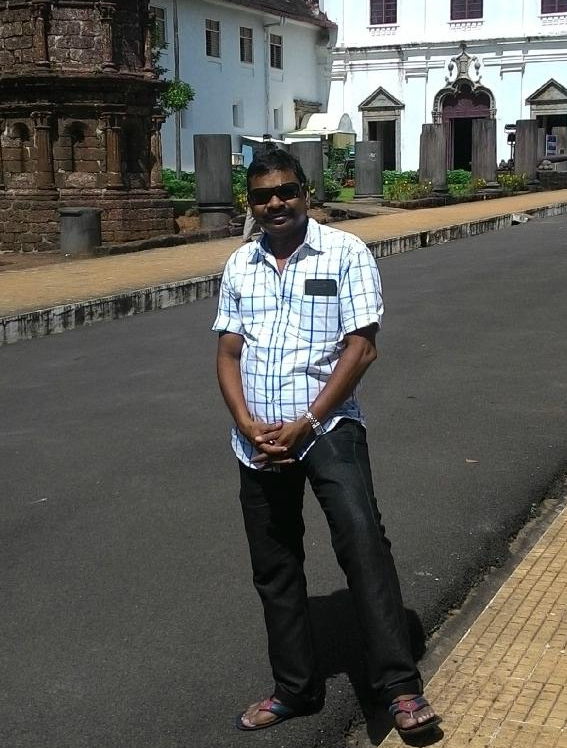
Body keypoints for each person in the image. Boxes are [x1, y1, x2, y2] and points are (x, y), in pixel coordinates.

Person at [213, 148, 439, 739]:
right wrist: (244, 422)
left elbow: (361, 347)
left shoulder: (346, 254)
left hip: (329, 430)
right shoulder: (240, 265)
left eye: (286, 192)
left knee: (363, 545)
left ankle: (398, 687)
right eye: (262, 197)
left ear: (306, 193)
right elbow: (228, 352)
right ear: (251, 204)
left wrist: (308, 421)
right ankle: (295, 688)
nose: (275, 204)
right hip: (258, 441)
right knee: (275, 565)